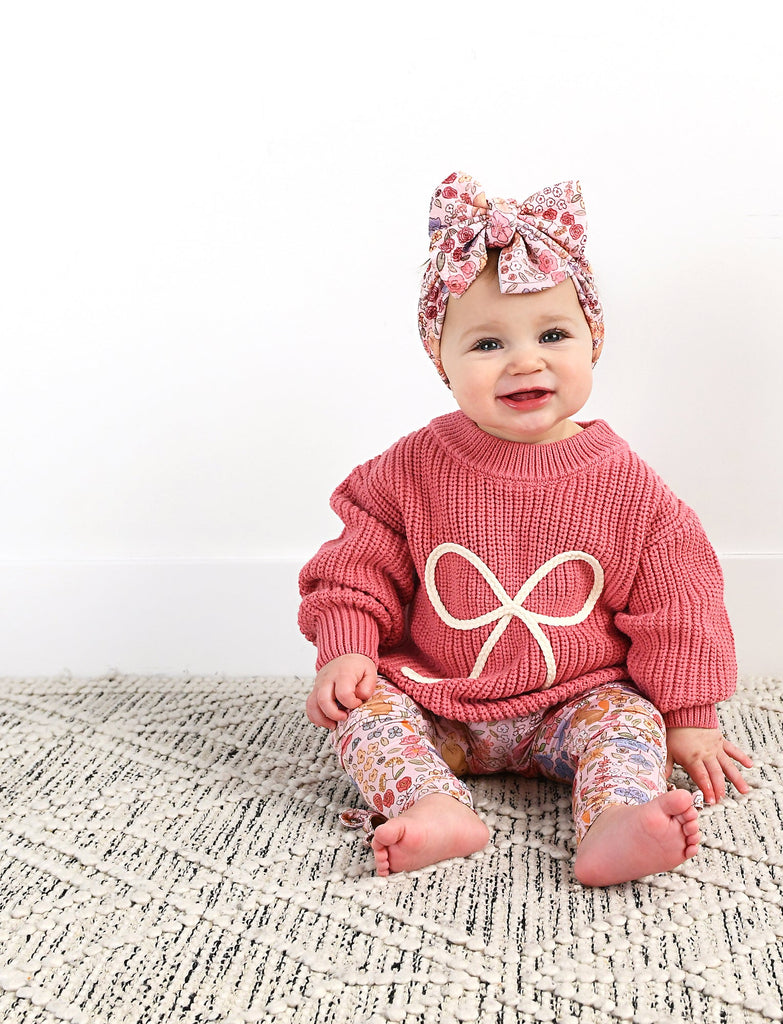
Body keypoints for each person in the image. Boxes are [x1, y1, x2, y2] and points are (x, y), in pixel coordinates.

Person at [299, 171, 752, 886]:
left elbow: (679, 599)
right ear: (440, 361)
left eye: (553, 334)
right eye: (487, 344)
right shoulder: (414, 467)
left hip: (575, 697)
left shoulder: (625, 483)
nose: (525, 360)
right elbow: (358, 560)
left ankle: (615, 820)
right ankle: (431, 805)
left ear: (592, 341)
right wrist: (347, 646)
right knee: (364, 717)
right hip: (439, 697)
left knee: (630, 725)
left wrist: (689, 715)